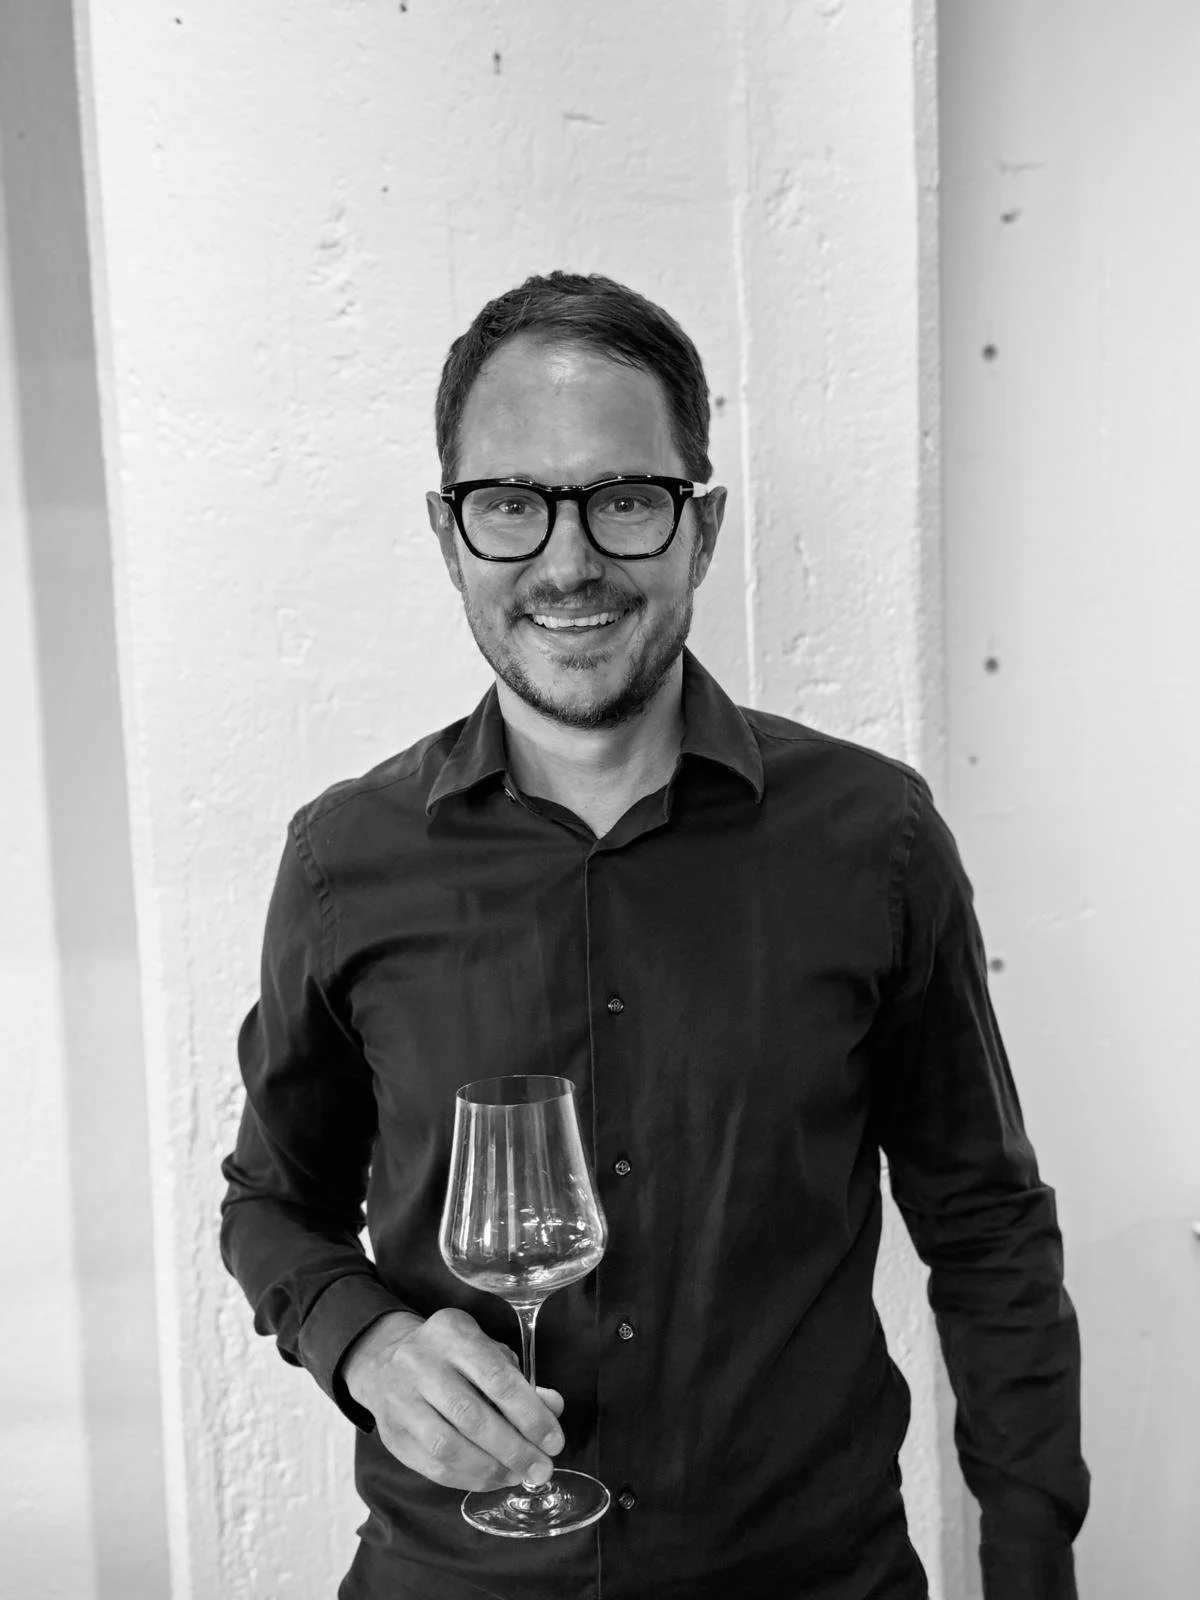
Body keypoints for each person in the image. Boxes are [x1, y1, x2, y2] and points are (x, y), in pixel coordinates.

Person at [220, 271, 1089, 1600]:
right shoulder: (345, 861)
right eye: (510, 503)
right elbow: (273, 1205)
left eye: (625, 499)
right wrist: (368, 1347)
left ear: (703, 528)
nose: (568, 563)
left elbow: (986, 1228)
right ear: (450, 535)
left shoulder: (876, 839)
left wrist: (1031, 1570)